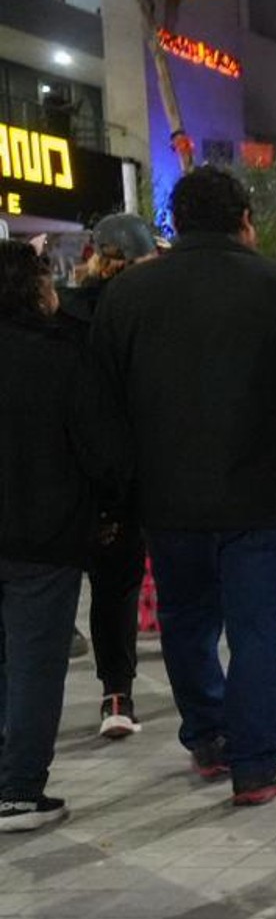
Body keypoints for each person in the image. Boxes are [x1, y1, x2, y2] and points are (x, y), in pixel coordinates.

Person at [92, 166, 276, 806]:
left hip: (168, 501)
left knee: (186, 622)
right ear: (245, 221)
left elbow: (102, 405)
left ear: (175, 224)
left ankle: (208, 735)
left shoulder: (128, 297)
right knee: (258, 629)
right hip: (263, 496)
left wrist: (113, 493)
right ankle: (256, 764)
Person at [0, 240, 131, 830]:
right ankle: (19, 789)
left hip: (34, 535)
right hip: (43, 537)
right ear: (34, 290)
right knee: (35, 663)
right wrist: (113, 509)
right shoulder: (61, 357)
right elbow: (102, 453)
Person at [57, 212, 156, 739]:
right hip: (128, 468)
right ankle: (117, 692)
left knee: (55, 589)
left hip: (68, 471)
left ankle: (30, 710)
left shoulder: (64, 314)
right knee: (116, 584)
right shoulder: (145, 314)